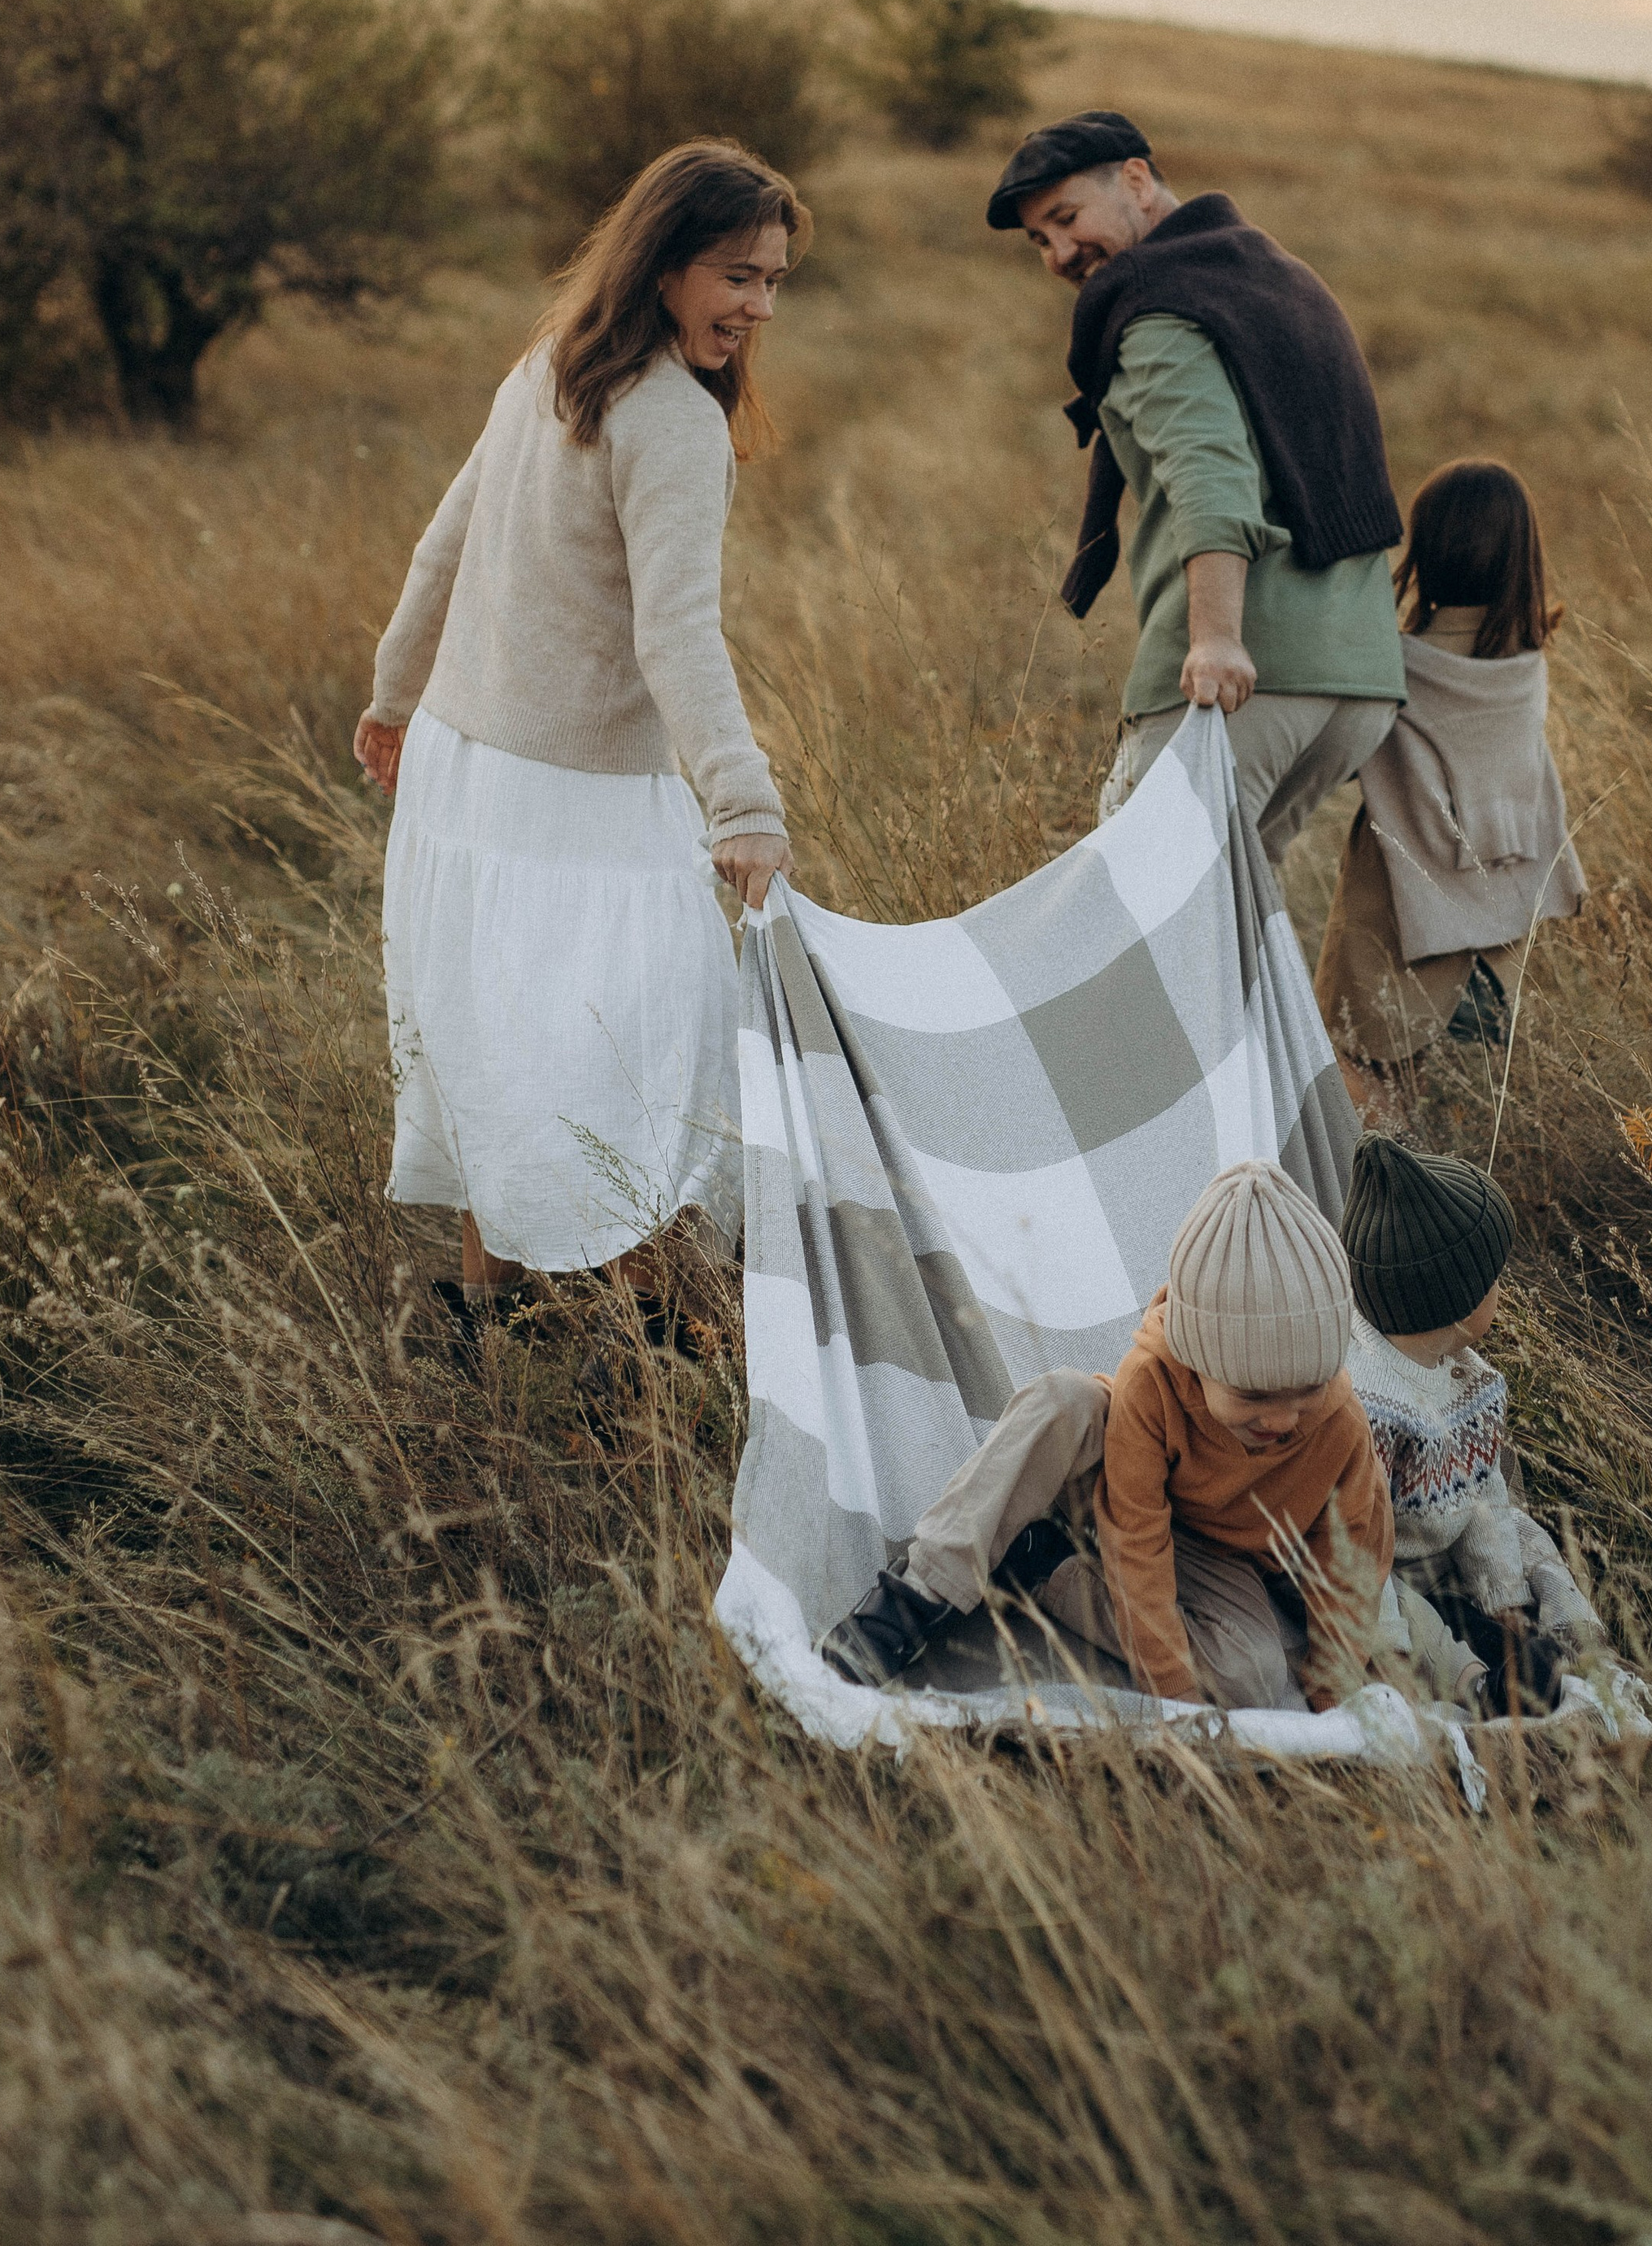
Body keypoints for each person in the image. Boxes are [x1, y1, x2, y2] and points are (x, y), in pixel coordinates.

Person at [353, 141, 804, 1308]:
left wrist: (397, 698)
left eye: (773, 282)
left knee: (503, 1049)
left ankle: (489, 1324)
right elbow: (677, 634)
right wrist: (745, 804)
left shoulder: (551, 364)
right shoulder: (673, 422)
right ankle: (648, 1356)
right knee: (641, 1067)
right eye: (737, 276)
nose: (758, 307)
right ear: (664, 264)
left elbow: (438, 544)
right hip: (571, 799)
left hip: (466, 770)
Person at [986, 110, 1406, 886]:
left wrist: (1215, 636)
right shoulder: (1275, 273)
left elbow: (1208, 470)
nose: (1059, 254)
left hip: (1247, 678)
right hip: (1358, 680)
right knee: (1230, 921)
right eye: (1039, 240)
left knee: (1135, 913)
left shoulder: (1154, 301)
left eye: (1067, 218)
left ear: (1138, 181)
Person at [819, 1160, 1395, 1713]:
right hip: (1101, 1487)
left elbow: (1353, 1568)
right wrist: (1173, 1691)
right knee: (1064, 1401)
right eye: (1252, 1397)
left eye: (1307, 1391)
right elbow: (1135, 1535)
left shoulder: (1340, 1427)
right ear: (1196, 1360)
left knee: (1254, 1672)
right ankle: (916, 1595)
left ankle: (1044, 1564)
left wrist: (1335, 1697)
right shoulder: (1153, 1381)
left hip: (1208, 1550)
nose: (1282, 1419)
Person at [1315, 459, 1586, 1117]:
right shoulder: (1526, 667)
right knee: (1459, 1123)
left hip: (1394, 934)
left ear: (1425, 551)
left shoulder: (1391, 663)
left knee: (1366, 1102)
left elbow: (1334, 757)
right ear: (1523, 558)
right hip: (1494, 950)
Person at [1339, 1133, 1602, 1714]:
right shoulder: (1368, 1405)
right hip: (1395, 1565)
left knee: (1524, 1532)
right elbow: (1358, 1546)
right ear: (1456, 1303)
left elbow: (1483, 1492)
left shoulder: (1465, 1372)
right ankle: (1477, 1684)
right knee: (1418, 1617)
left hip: (1451, 1534)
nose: (1499, 1289)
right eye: (1493, 1280)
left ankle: (1562, 1632)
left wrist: (1506, 1601)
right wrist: (1387, 1654)